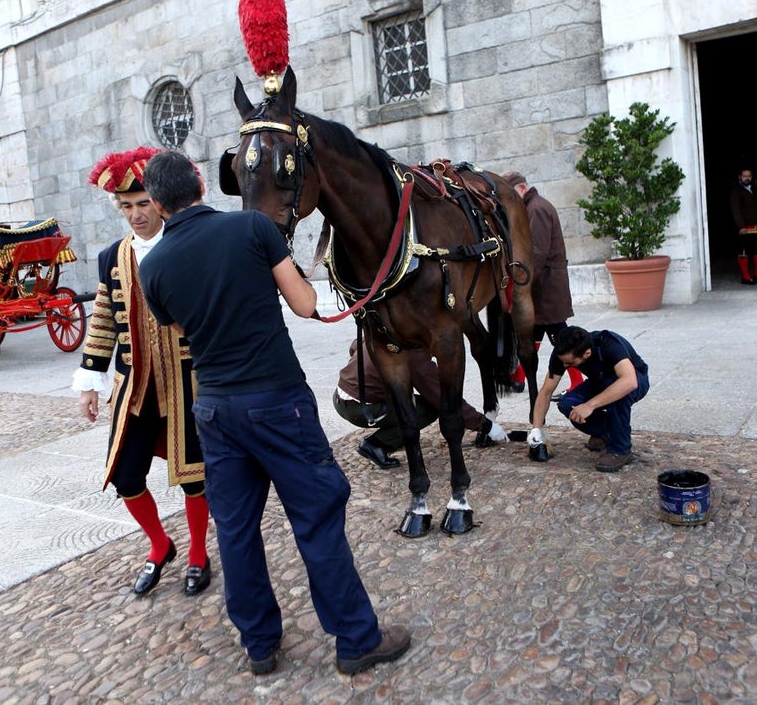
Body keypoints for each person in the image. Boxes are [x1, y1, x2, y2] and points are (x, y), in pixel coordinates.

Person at [138, 150, 411, 676]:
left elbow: (179, 330)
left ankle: (259, 644)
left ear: (156, 203)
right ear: (199, 183)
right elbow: (307, 304)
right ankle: (356, 639)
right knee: (316, 518)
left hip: (215, 409)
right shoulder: (252, 229)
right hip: (277, 401)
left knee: (236, 529)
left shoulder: (152, 267)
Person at [72, 146, 211, 598]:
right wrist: (90, 380)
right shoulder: (112, 256)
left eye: (144, 204)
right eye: (127, 207)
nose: (136, 214)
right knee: (126, 476)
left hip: (187, 383)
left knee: (194, 475)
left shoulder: (188, 243)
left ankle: (197, 554)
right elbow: (104, 318)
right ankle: (159, 543)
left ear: (161, 202)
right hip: (136, 386)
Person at [333, 338, 509, 469]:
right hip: (362, 408)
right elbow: (444, 398)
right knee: (428, 409)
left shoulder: (390, 331)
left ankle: (392, 435)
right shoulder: (415, 356)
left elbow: (355, 345)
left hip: (341, 394)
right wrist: (486, 426)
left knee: (410, 400)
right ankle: (377, 445)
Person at [502, 171, 583, 395]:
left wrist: (521, 284)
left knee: (558, 334)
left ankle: (578, 381)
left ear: (520, 189)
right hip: (543, 284)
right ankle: (519, 376)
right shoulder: (532, 207)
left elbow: (536, 253)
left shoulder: (536, 209)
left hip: (546, 285)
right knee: (535, 330)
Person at [528, 326, 650, 473]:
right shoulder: (562, 354)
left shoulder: (608, 343)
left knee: (618, 394)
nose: (565, 366)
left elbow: (629, 381)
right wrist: (536, 430)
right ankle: (606, 433)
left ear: (587, 353)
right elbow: (546, 392)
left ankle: (620, 449)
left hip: (635, 378)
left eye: (570, 363)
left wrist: (590, 405)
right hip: (600, 380)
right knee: (568, 404)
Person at [730, 168, 757, 285]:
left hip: (756, 226)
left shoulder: (754, 188)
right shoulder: (736, 190)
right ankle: (745, 277)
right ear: (740, 177)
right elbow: (736, 210)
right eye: (745, 176)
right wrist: (741, 226)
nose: (747, 178)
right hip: (744, 227)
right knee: (744, 251)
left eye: (749, 176)